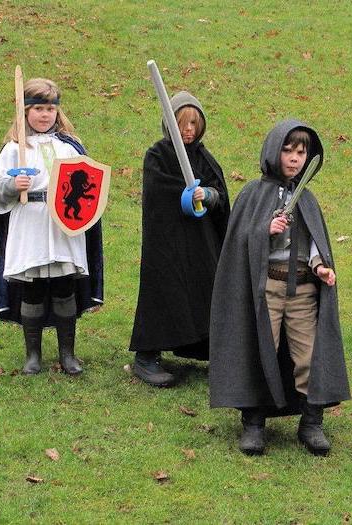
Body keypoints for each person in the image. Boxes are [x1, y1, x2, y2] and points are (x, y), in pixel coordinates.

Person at [209, 120, 350, 456]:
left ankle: (311, 423)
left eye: (301, 152)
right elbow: (240, 242)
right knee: (260, 351)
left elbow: (313, 243)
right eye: (288, 150)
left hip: (302, 292)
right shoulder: (253, 195)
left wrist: (322, 267)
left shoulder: (308, 199)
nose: (294, 158)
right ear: (275, 151)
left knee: (309, 356)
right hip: (266, 289)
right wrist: (265, 230)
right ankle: (254, 423)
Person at [0, 77, 104, 375]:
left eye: (49, 109)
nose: (44, 115)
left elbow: (88, 181)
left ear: (57, 112)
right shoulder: (15, 149)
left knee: (65, 286)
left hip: (64, 226)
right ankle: (33, 356)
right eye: (38, 108)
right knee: (33, 290)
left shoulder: (69, 147)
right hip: (30, 225)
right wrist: (13, 185)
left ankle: (68, 354)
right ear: (25, 112)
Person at [129, 92, 230, 387]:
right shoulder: (157, 156)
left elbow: (221, 196)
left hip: (201, 244)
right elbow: (157, 196)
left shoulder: (204, 158)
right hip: (168, 244)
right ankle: (147, 356)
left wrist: (208, 196)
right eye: (182, 124)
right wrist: (183, 196)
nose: (188, 130)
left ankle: (210, 350)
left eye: (194, 124)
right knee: (165, 290)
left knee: (206, 289)